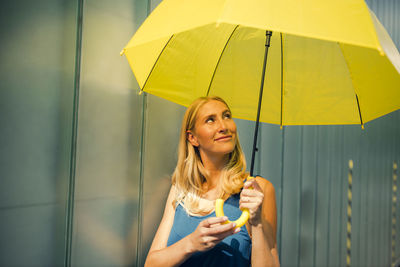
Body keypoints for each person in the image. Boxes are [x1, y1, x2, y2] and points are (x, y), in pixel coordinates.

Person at [144, 96, 279, 267]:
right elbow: (151, 263)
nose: (223, 126)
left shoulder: (258, 190)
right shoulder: (181, 189)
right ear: (192, 138)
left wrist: (257, 223)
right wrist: (192, 243)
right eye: (210, 120)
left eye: (227, 116)